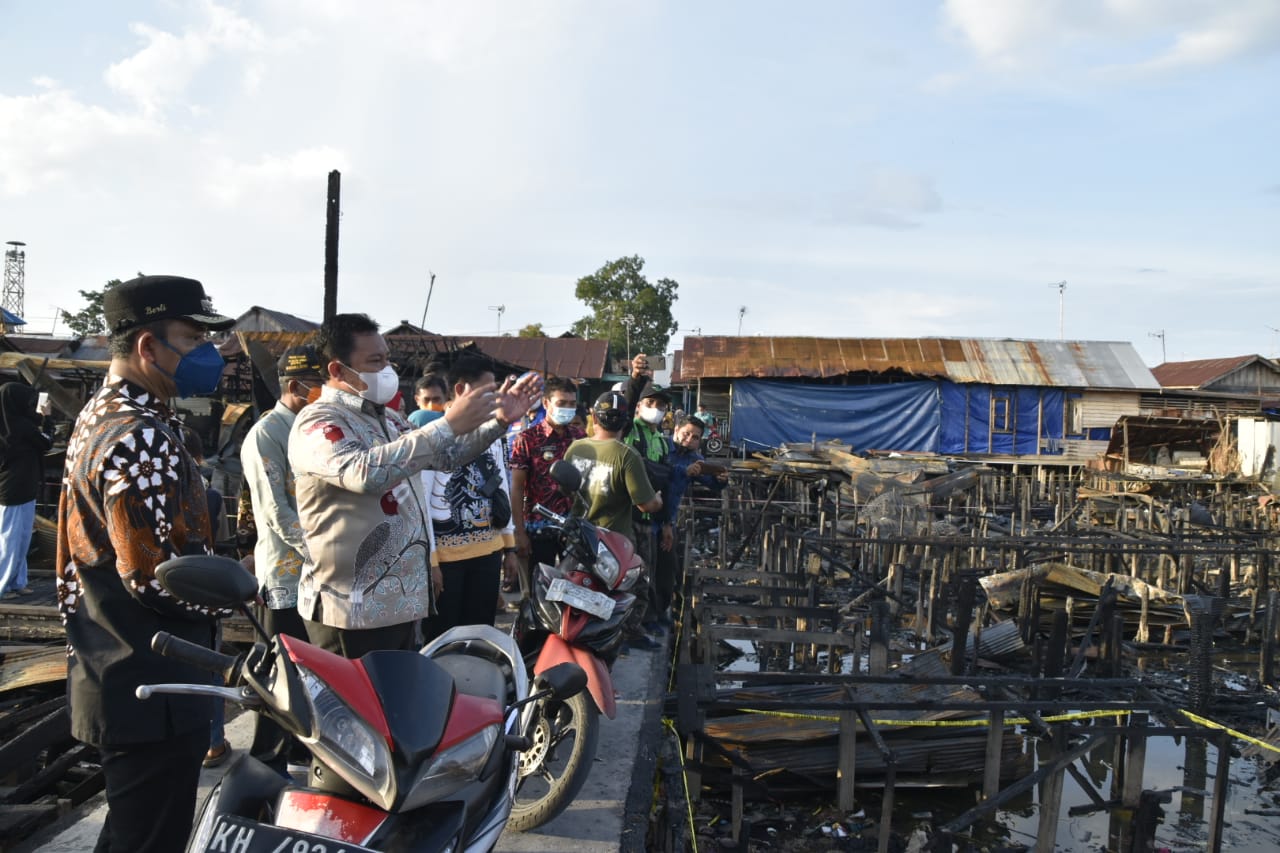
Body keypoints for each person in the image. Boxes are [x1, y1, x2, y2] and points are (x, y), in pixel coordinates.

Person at [56, 274, 238, 853]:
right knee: (150, 839)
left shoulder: (103, 413)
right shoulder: (140, 434)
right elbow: (155, 577)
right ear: (147, 346)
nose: (208, 355)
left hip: (114, 662)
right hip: (153, 673)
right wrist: (237, 595)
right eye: (192, 338)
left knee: (132, 834)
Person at [288, 313, 541, 658]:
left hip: (401, 603)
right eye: (375, 361)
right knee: (357, 710)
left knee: (397, 707)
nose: (387, 369)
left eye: (386, 358)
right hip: (351, 609)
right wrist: (447, 424)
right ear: (337, 370)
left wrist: (499, 422)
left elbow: (447, 457)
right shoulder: (318, 421)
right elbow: (364, 473)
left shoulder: (388, 418)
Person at [240, 344, 323, 769]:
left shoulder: (313, 427)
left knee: (311, 670)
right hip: (288, 571)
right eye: (319, 385)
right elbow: (275, 510)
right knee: (278, 671)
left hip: (321, 574)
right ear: (295, 386)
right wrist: (318, 552)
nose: (325, 393)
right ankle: (267, 760)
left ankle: (301, 749)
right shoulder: (267, 433)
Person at [421, 354, 519, 640]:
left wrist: (509, 548)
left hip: (488, 554)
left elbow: (501, 487)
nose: (496, 399)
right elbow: (423, 504)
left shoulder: (495, 434)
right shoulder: (432, 436)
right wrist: (431, 562)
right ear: (462, 390)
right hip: (446, 562)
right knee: (443, 638)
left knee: (480, 636)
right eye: (489, 391)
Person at [563, 391, 663, 650]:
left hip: (578, 538)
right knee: (629, 594)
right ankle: (621, 638)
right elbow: (645, 503)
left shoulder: (577, 447)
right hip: (615, 543)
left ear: (594, 417)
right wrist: (659, 500)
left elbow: (565, 490)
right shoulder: (626, 455)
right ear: (625, 421)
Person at [509, 377, 585, 581]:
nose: (568, 408)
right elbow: (516, 488)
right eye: (562, 403)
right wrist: (519, 531)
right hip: (539, 527)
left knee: (576, 589)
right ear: (546, 403)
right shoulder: (527, 439)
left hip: (574, 528)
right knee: (539, 589)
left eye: (572, 404)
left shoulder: (579, 437)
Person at [657, 416, 729, 626]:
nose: (689, 439)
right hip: (649, 516)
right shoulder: (660, 447)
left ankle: (660, 616)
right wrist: (682, 472)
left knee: (668, 569)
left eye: (695, 437)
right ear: (676, 430)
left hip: (668, 519)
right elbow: (658, 475)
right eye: (686, 434)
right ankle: (644, 620)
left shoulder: (694, 459)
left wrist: (720, 480)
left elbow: (712, 483)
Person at [1, 382, 52, 599]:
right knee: (10, 540)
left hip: (18, 489)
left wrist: (40, 416)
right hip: (15, 490)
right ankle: (3, 585)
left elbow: (30, 426)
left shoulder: (10, 424)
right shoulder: (21, 427)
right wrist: (47, 418)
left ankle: (16, 582)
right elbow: (46, 442)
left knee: (20, 539)